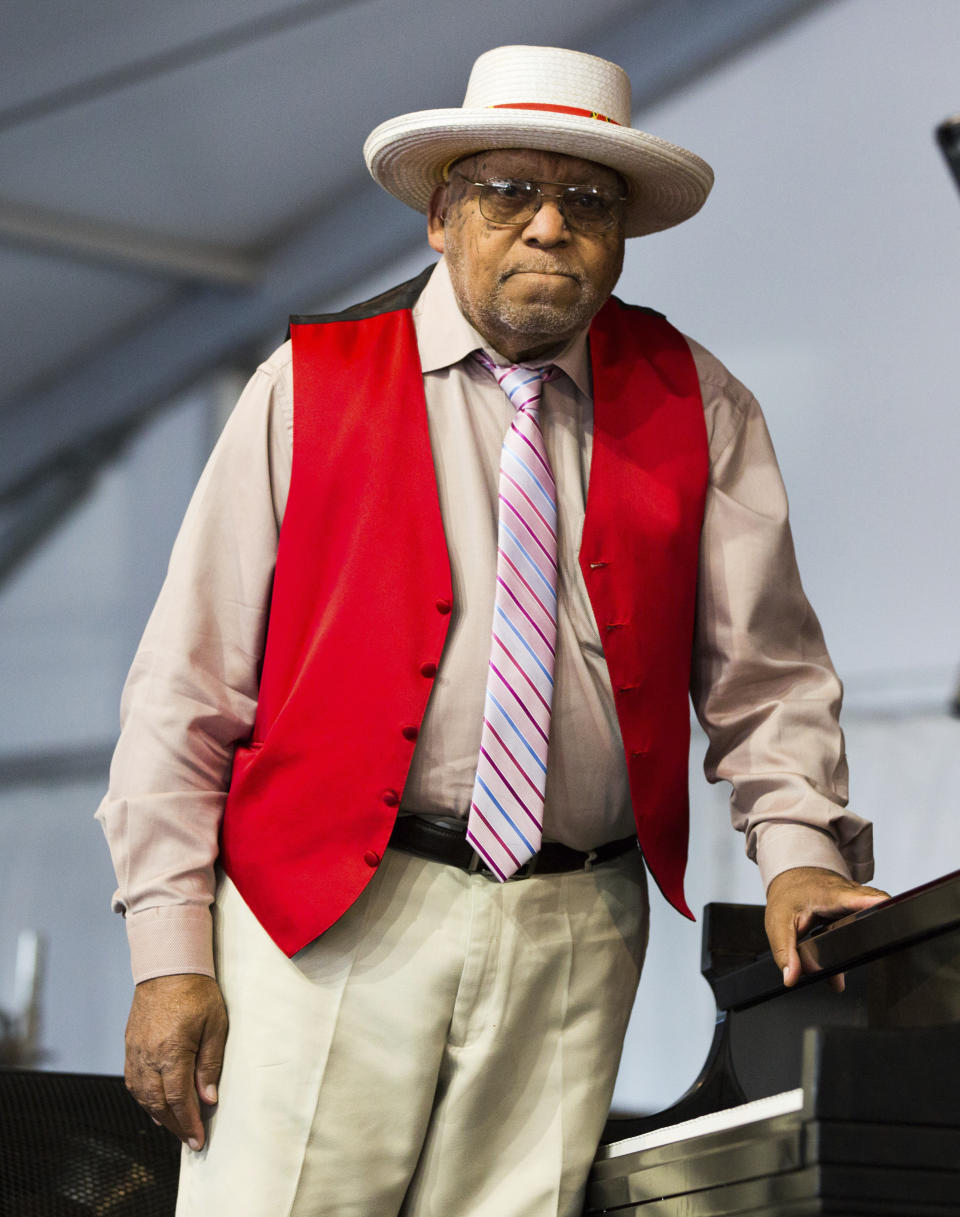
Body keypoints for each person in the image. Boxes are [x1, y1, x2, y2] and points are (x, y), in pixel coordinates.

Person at [97, 44, 887, 1217]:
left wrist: (801, 855)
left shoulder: (701, 401)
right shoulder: (305, 385)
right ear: (440, 218)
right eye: (508, 192)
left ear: (622, 233)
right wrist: (170, 953)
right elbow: (184, 690)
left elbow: (765, 679)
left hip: (577, 921)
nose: (549, 226)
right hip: (329, 917)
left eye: (589, 200)